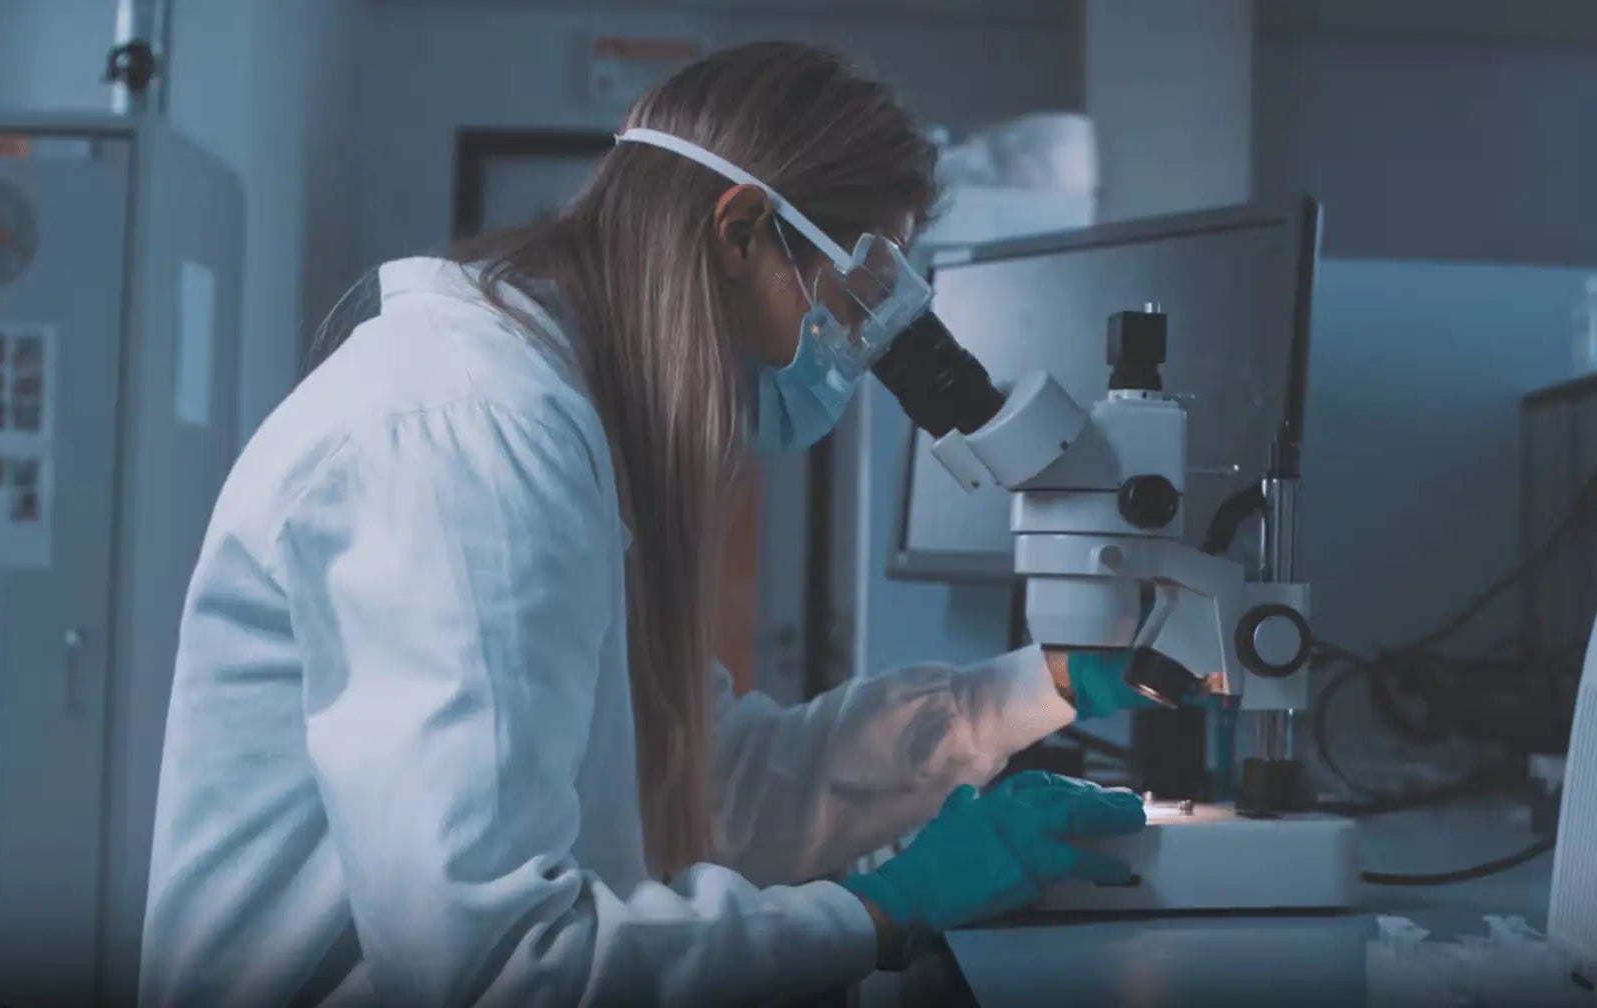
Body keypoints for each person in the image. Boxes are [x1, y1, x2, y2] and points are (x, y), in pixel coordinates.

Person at [138, 41, 1174, 1007]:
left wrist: (1024, 691)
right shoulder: (470, 436)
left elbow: (697, 785)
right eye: (855, 289)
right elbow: (491, 963)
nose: (857, 346)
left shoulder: (566, 422)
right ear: (736, 231)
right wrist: (878, 913)